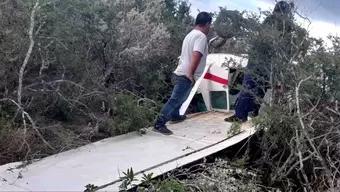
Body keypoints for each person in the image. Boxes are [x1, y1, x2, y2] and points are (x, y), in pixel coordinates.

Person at [225, 1, 297, 122]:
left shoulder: (271, 20)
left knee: (248, 87)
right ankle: (253, 113)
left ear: (276, 10)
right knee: (259, 88)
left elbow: (261, 39)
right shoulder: (287, 27)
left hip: (258, 62)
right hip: (270, 65)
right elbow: (285, 49)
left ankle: (240, 115)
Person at [154, 12, 212, 135]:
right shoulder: (201, 36)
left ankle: (175, 115)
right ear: (206, 24)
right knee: (175, 100)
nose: (209, 28)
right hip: (186, 74)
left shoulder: (190, 35)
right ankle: (159, 124)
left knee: (182, 98)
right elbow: (196, 55)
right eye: (209, 25)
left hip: (180, 72)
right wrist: (190, 74)